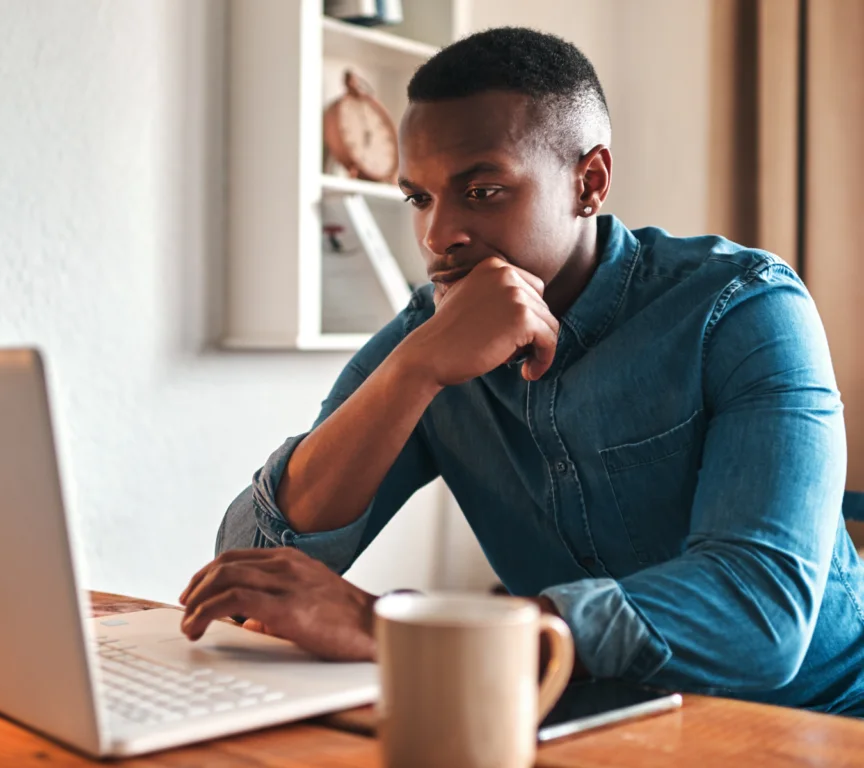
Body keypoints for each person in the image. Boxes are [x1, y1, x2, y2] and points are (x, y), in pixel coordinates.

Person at [180, 27, 864, 714]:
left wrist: (396, 628)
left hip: (812, 722)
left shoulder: (742, 306)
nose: (435, 234)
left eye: (480, 191)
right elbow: (248, 566)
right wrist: (412, 369)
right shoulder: (430, 335)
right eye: (419, 197)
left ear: (589, 181)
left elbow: (761, 616)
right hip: (581, 716)